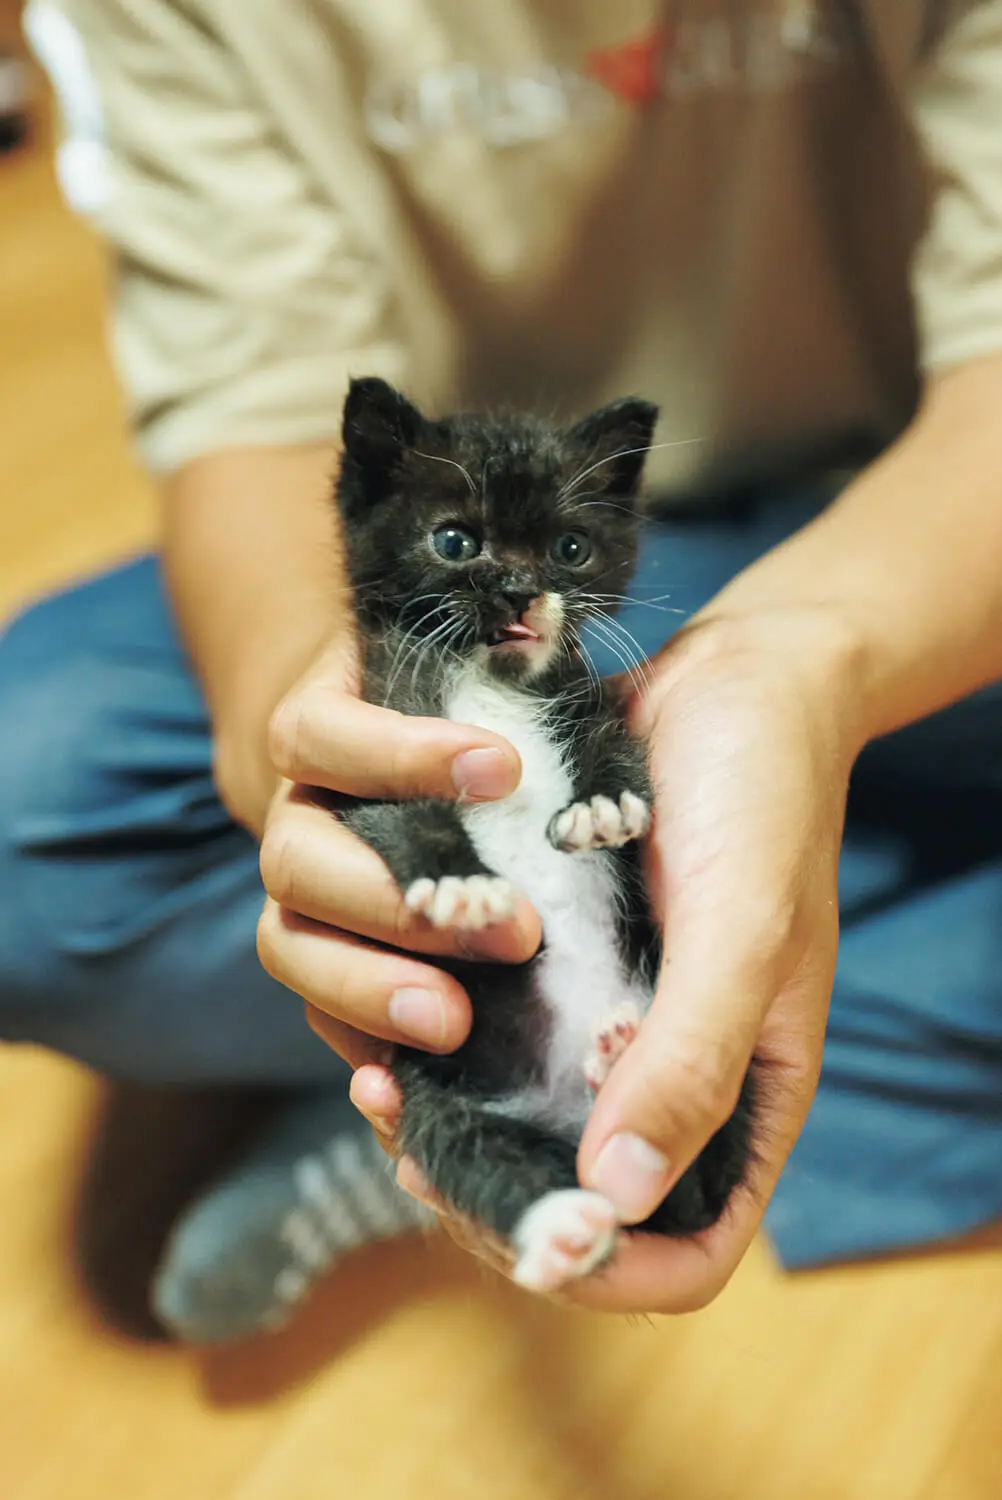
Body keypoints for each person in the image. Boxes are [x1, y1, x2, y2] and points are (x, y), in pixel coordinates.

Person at [7, 0, 1002, 1341]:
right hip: (438, 598)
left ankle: (503, 1106)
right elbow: (255, 428)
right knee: (22, 816)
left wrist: (803, 668)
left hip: (907, 532)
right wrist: (315, 729)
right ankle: (685, 1008)